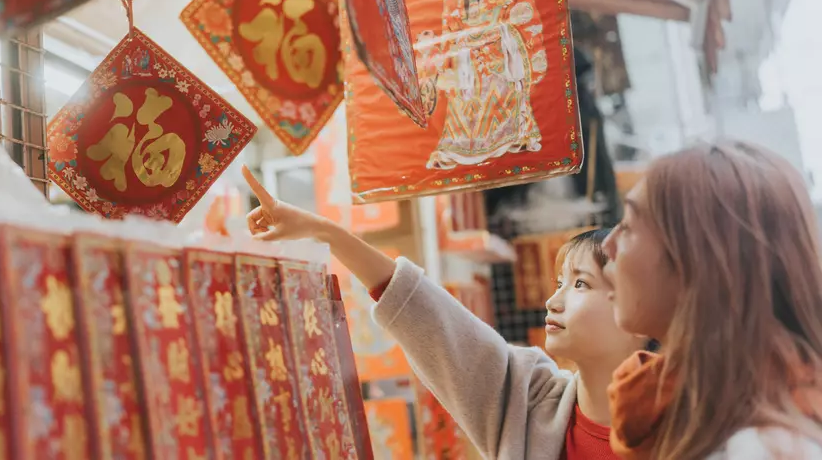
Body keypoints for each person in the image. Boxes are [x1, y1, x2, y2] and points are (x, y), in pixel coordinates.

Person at [242, 167, 646, 459]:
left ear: (640, 309)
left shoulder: (693, 431)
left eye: (580, 284)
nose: (553, 301)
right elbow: (431, 318)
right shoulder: (531, 402)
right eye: (559, 282)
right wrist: (325, 232)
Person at [601, 141, 822, 459]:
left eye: (630, 227)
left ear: (696, 260)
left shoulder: (765, 449)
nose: (608, 244)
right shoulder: (690, 414)